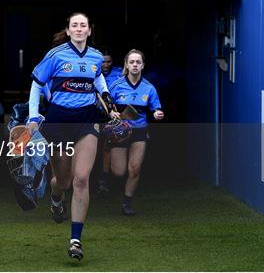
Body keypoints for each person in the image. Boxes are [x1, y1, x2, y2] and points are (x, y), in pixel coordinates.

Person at [26, 13, 119, 261]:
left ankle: (75, 240)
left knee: (81, 179)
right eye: (74, 25)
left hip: (87, 121)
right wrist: (34, 117)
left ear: (89, 31)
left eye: (83, 25)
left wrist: (108, 102)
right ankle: (56, 198)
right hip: (58, 122)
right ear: (68, 31)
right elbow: (36, 84)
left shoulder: (97, 56)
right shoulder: (56, 55)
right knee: (63, 181)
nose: (79, 29)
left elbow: (98, 77)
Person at [108, 49, 164, 216]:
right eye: (131, 62)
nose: (134, 65)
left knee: (135, 169)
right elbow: (106, 106)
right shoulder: (116, 85)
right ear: (126, 64)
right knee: (119, 172)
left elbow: (156, 109)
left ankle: (127, 203)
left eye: (138, 62)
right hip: (119, 131)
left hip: (139, 131)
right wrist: (112, 113)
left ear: (143, 65)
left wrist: (157, 114)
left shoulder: (149, 88)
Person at [97, 51, 123, 194]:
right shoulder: (92, 71)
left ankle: (104, 181)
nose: (106, 65)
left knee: (107, 147)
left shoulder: (119, 73)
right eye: (103, 62)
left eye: (108, 61)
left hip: (112, 114)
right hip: (94, 114)